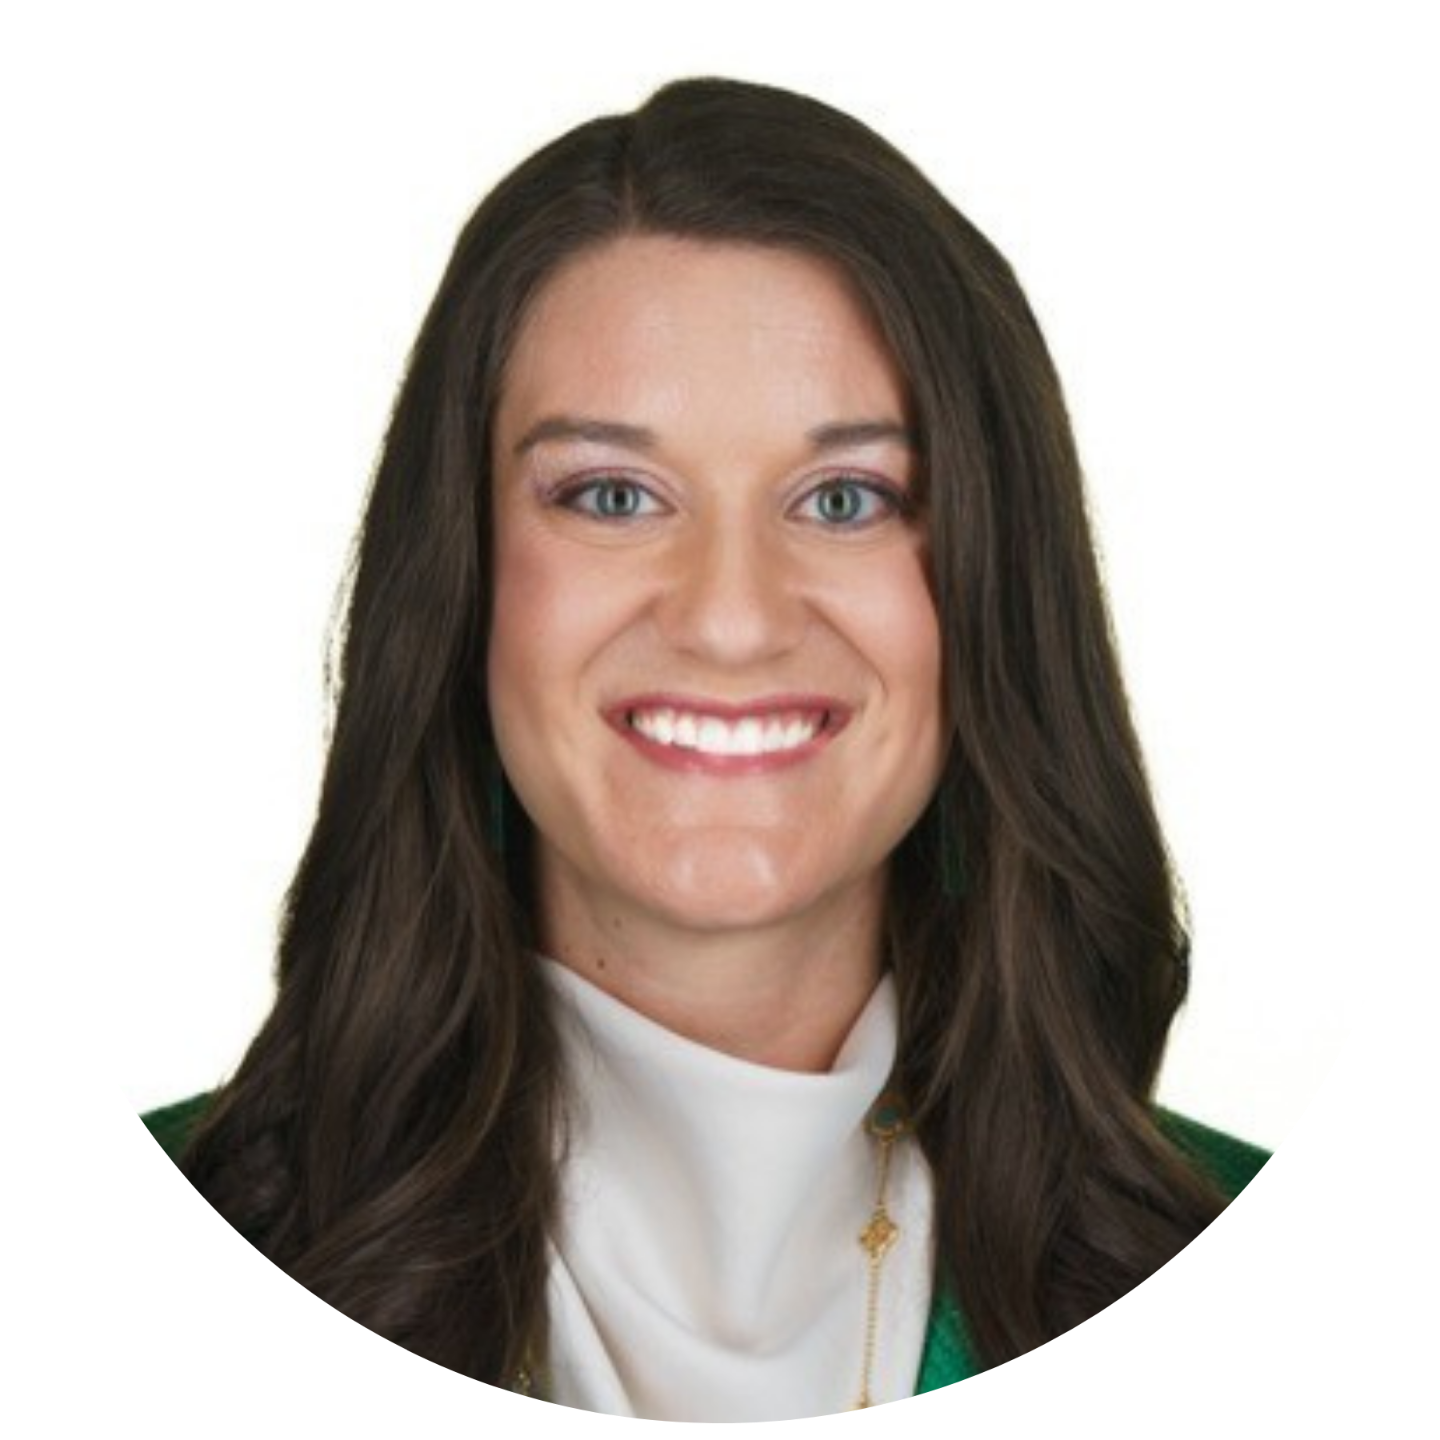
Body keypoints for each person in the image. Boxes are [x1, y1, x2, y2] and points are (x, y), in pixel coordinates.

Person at [140, 75, 1273, 1420]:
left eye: (845, 499)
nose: (731, 620)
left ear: (993, 588)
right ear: (462, 582)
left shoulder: (1340, 1281)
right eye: (613, 495)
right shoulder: (123, 1259)